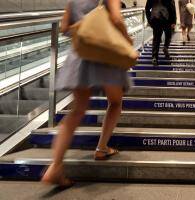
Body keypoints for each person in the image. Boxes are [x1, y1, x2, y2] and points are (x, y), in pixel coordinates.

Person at [41, 0, 133, 187]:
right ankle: (101, 147)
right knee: (115, 103)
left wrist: (85, 25)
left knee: (77, 110)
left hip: (81, 53)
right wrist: (127, 41)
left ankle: (55, 166)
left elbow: (64, 28)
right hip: (106, 53)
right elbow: (116, 18)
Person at [145, 0, 177, 65]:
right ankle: (157, 55)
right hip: (160, 19)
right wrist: (149, 20)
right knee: (159, 38)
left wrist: (174, 21)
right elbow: (147, 8)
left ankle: (161, 51)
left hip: (163, 19)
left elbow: (173, 8)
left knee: (163, 36)